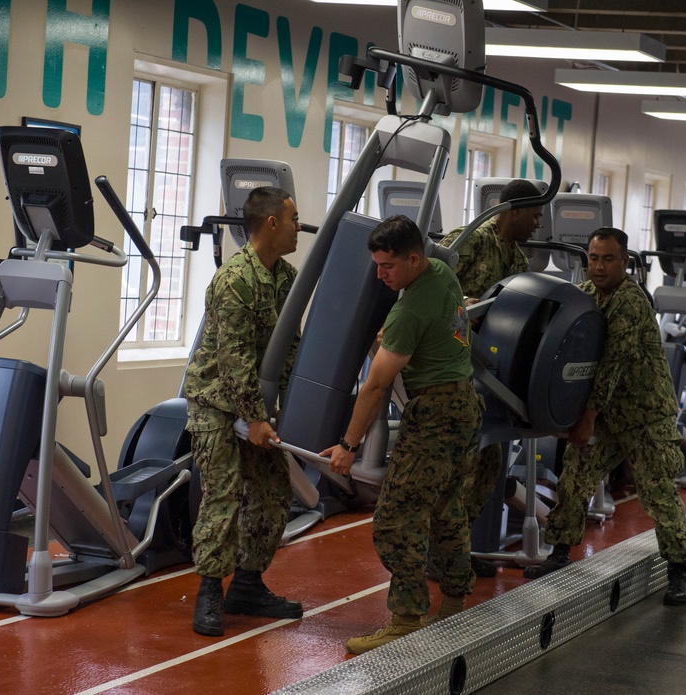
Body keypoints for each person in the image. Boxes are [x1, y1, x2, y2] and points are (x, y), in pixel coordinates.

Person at [322, 214, 483, 654]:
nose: (380, 274)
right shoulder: (442, 274)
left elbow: (374, 385)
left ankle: (408, 618)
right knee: (446, 508)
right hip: (465, 405)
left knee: (396, 519)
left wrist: (348, 447)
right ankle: (453, 598)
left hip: (434, 415)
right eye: (376, 265)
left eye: (387, 266)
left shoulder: (408, 309)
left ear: (413, 258)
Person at [523, 227, 686, 606]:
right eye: (593, 258)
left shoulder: (630, 301)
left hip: (644, 416)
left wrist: (584, 418)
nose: (598, 267)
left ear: (624, 262)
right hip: (604, 415)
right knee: (574, 480)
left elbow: (610, 365)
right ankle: (559, 554)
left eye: (607, 259)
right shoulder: (583, 297)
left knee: (658, 495)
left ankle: (681, 571)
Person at [184, 186, 304, 637]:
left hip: (255, 405)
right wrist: (254, 417)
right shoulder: (235, 278)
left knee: (274, 492)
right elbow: (233, 358)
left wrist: (289, 411)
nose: (299, 226)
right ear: (271, 223)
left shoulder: (287, 278)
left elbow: (291, 347)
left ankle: (248, 584)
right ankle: (210, 589)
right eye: (293, 218)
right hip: (216, 401)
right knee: (225, 493)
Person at [439, 178, 543, 577]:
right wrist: (460, 304)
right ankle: (443, 555)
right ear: (512, 212)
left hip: (485, 375)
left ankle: (457, 549)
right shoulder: (469, 241)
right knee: (459, 468)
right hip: (452, 371)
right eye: (533, 216)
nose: (537, 225)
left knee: (488, 468)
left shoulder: (515, 259)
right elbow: (429, 287)